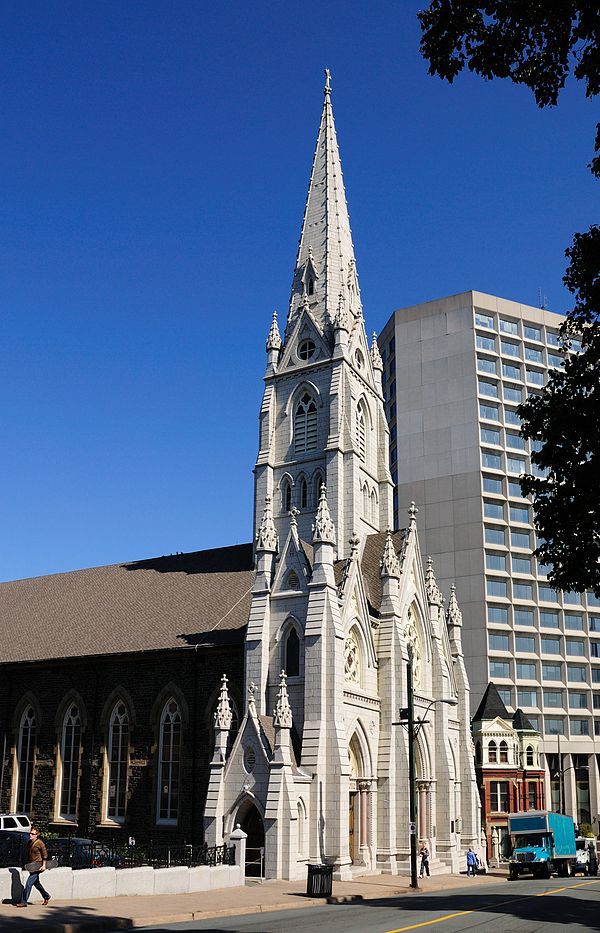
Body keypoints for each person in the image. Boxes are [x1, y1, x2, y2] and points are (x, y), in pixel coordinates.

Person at [16, 826, 51, 907]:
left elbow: (45, 855)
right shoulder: (29, 842)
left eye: (32, 834)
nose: (30, 835)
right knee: (36, 883)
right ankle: (46, 896)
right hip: (32, 866)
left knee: (28, 883)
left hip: (38, 866)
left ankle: (23, 901)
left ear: (36, 835)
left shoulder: (40, 843)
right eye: (30, 833)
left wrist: (44, 866)